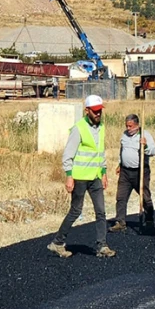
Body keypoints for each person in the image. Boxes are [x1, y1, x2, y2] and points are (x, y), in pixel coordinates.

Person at [47, 95, 114, 259]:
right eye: (95, 111)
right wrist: (69, 176)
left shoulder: (101, 127)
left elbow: (100, 152)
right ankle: (57, 242)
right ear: (87, 110)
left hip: (96, 176)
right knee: (76, 210)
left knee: (101, 212)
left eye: (100, 111)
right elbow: (68, 155)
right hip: (79, 177)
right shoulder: (79, 129)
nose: (98, 114)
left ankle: (102, 246)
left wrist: (104, 172)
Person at [110, 114, 155, 233]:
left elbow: (153, 151)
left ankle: (149, 220)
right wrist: (120, 164)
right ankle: (120, 222)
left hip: (140, 171)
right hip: (125, 172)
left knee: (145, 197)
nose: (128, 128)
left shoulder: (145, 135)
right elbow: (122, 150)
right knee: (121, 197)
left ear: (137, 125)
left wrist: (145, 145)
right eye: (127, 126)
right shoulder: (124, 135)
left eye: (130, 126)